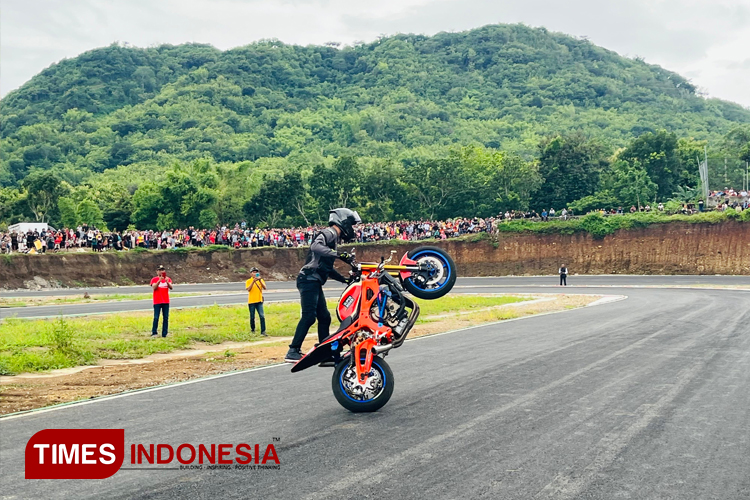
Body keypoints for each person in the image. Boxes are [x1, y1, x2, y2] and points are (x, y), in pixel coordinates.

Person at [285, 208, 360, 363]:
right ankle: (293, 350)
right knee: (309, 316)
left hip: (314, 280)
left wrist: (344, 279)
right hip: (308, 279)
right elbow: (315, 246)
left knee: (324, 317)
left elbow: (326, 268)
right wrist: (338, 254)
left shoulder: (333, 239)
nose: (351, 228)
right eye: (350, 224)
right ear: (343, 221)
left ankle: (324, 353)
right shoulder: (329, 233)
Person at [150, 265, 173, 337]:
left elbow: (171, 287)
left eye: (162, 270)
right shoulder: (154, 279)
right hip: (157, 301)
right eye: (159, 270)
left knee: (165, 317)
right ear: (157, 271)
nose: (161, 271)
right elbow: (154, 287)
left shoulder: (168, 279)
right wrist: (159, 280)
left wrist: (167, 282)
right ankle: (154, 332)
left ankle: (164, 333)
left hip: (165, 301)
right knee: (156, 317)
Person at [246, 267, 267, 336]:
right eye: (253, 272)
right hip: (251, 301)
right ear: (251, 274)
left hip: (259, 301)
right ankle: (253, 329)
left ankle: (263, 331)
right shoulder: (248, 281)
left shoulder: (261, 280)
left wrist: (260, 280)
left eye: (256, 272)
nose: (255, 273)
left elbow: (265, 287)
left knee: (262, 316)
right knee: (252, 317)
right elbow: (248, 289)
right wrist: (253, 281)